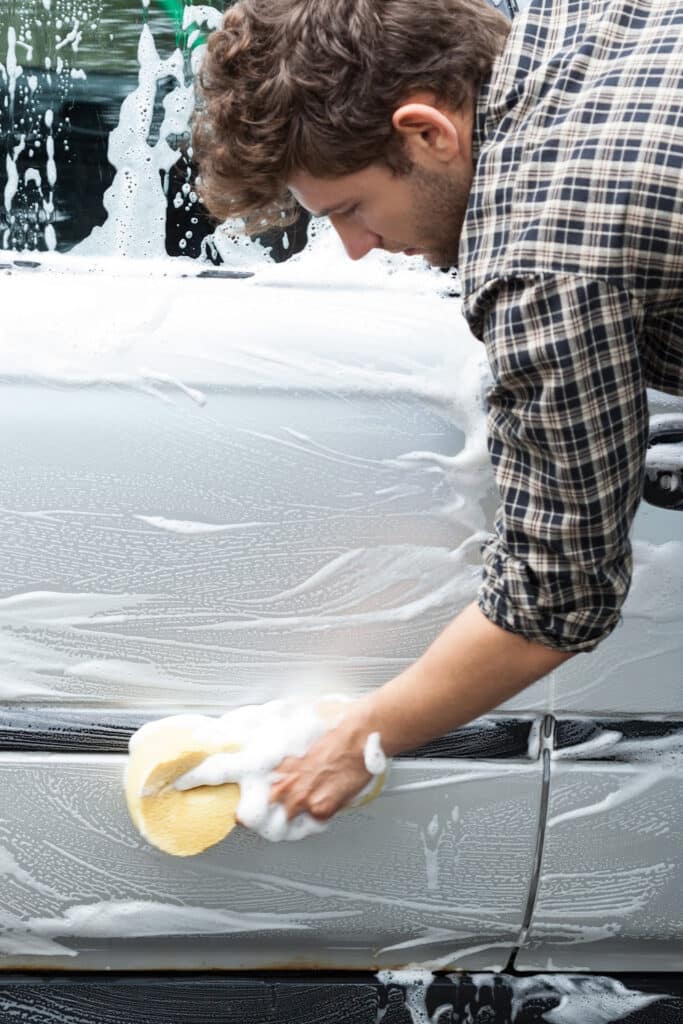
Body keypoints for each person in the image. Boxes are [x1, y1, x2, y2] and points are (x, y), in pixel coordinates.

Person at [192, 0, 683, 822]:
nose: (353, 247)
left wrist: (358, 739)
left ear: (427, 133)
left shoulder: (543, 260)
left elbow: (557, 599)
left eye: (348, 209)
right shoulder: (598, 20)